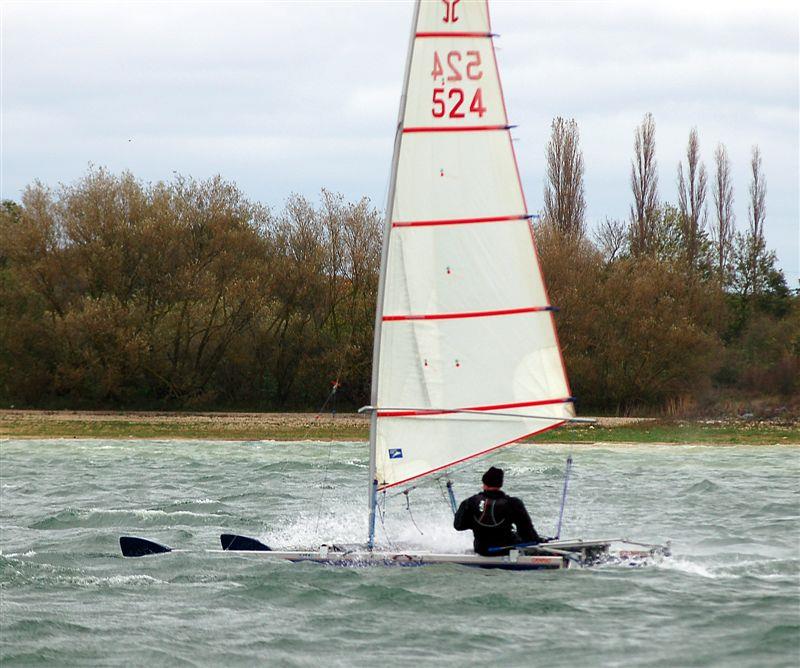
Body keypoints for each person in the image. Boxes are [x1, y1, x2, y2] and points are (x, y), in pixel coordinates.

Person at [453, 466, 543, 556]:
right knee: (526, 538)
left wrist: (476, 523)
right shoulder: (513, 503)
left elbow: (458, 526)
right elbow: (526, 531)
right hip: (506, 550)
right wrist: (537, 540)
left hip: (482, 550)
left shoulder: (470, 502)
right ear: (500, 484)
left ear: (484, 484)